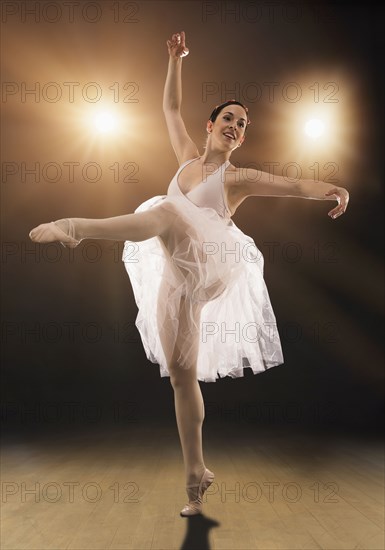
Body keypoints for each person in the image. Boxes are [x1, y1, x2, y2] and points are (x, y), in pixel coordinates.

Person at [29, 31, 350, 516]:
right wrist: (175, 60)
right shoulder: (185, 160)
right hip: (176, 277)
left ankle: (74, 227)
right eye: (229, 118)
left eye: (242, 124)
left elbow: (293, 183)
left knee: (168, 213)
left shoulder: (238, 179)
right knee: (182, 378)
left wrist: (334, 189)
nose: (236, 127)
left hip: (211, 264)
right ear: (211, 124)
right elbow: (171, 111)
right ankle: (196, 479)